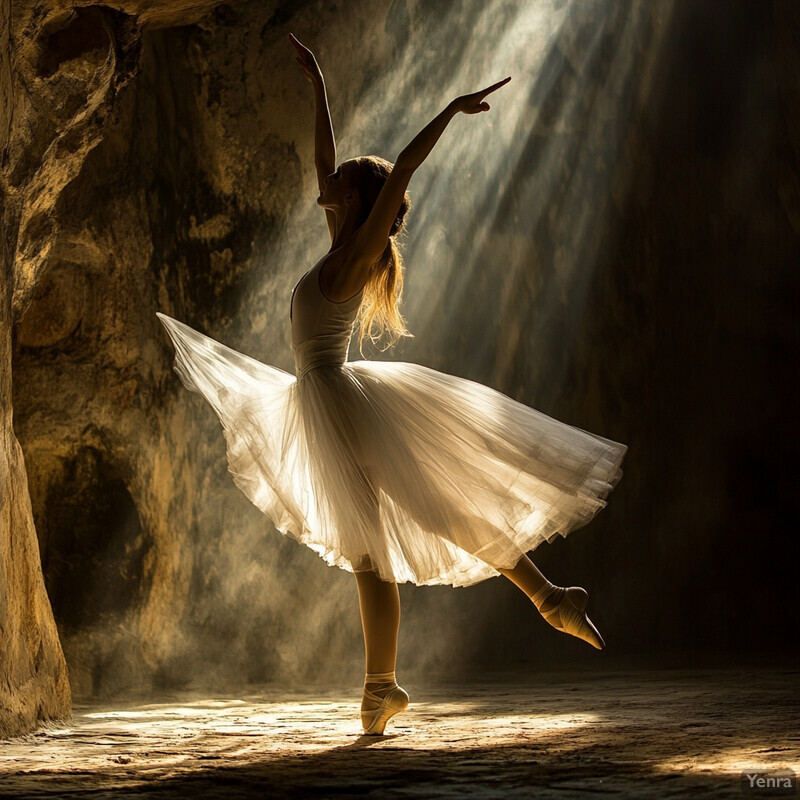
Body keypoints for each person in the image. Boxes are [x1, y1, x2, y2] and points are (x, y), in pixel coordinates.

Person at [157, 33, 627, 737]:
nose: (332, 176)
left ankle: (403, 676)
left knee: (379, 546)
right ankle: (539, 604)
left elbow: (401, 168)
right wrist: (316, 83)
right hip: (328, 394)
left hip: (339, 399)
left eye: (344, 175)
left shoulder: (361, 250)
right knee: (405, 530)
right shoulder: (340, 247)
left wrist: (447, 110)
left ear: (360, 200)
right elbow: (323, 158)